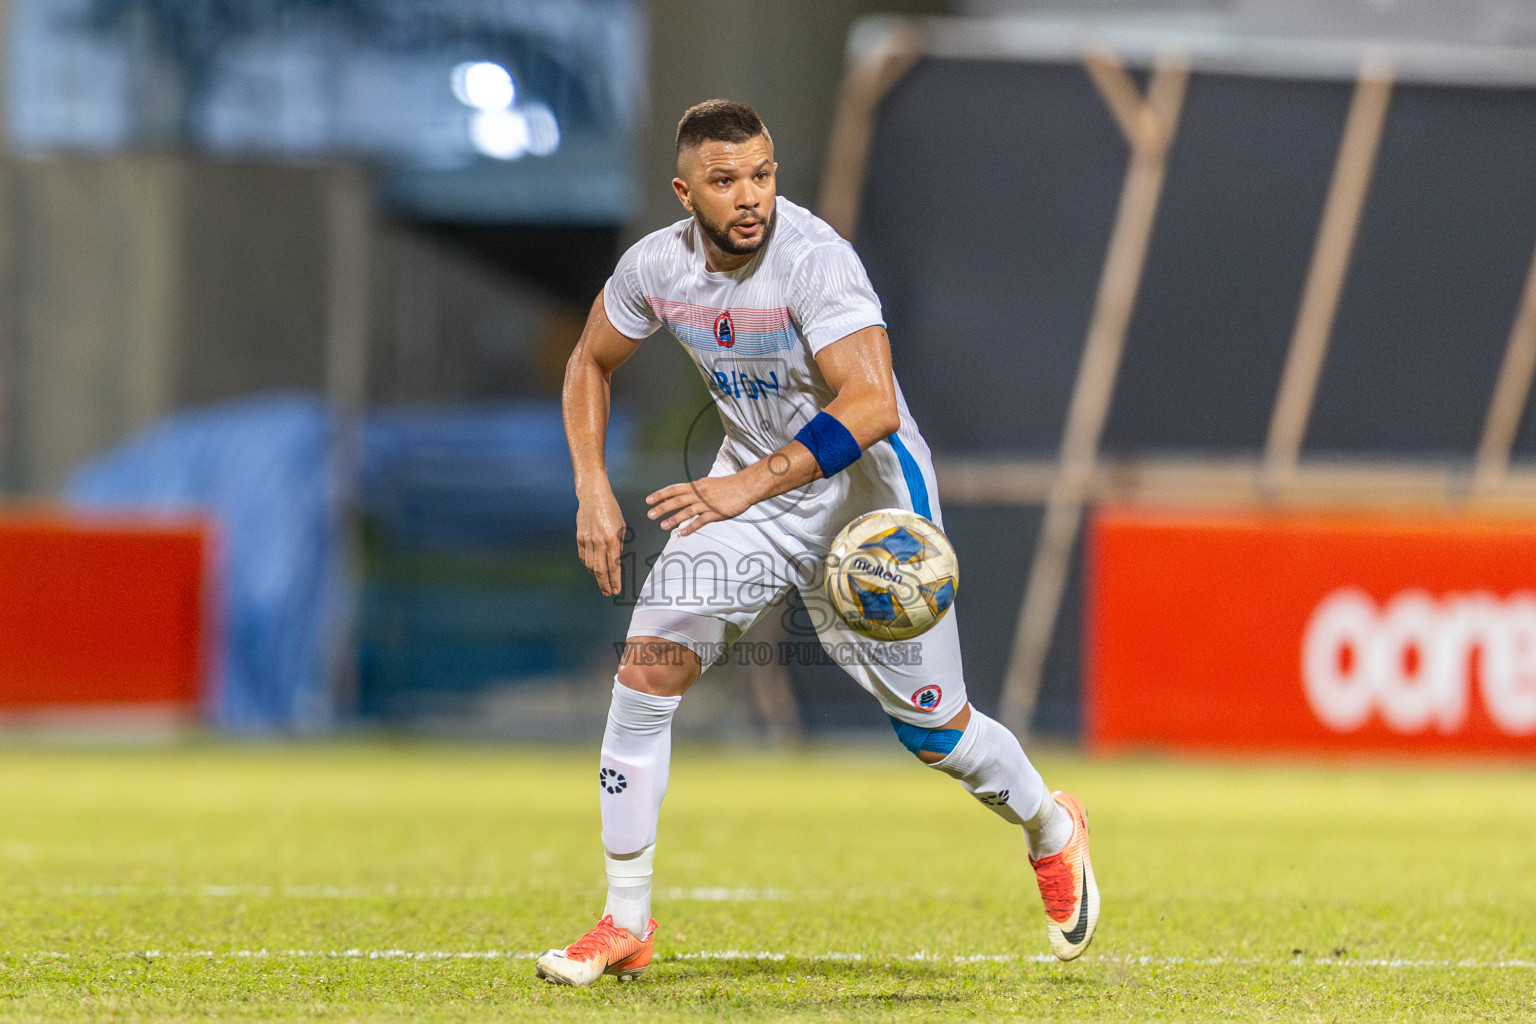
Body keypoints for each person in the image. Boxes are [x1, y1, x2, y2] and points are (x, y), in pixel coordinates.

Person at [536, 99, 1097, 986]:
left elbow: (869, 405)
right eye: (725, 181)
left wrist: (742, 486)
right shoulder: (655, 267)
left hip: (869, 507)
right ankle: (625, 919)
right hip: (751, 495)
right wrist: (591, 487)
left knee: (935, 733)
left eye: (761, 173)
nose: (750, 196)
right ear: (687, 193)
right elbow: (588, 361)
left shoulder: (814, 260)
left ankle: (1051, 827)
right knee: (645, 669)